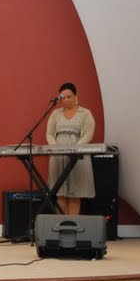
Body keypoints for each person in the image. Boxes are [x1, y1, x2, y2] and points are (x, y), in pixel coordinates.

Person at [45, 82, 96, 215]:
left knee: (74, 195)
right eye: (63, 97)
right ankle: (61, 225)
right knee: (60, 195)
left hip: (77, 157)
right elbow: (49, 134)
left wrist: (74, 149)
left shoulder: (85, 113)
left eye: (69, 97)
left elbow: (88, 135)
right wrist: (56, 149)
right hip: (58, 157)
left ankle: (72, 225)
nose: (66, 100)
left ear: (75, 96)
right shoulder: (55, 114)